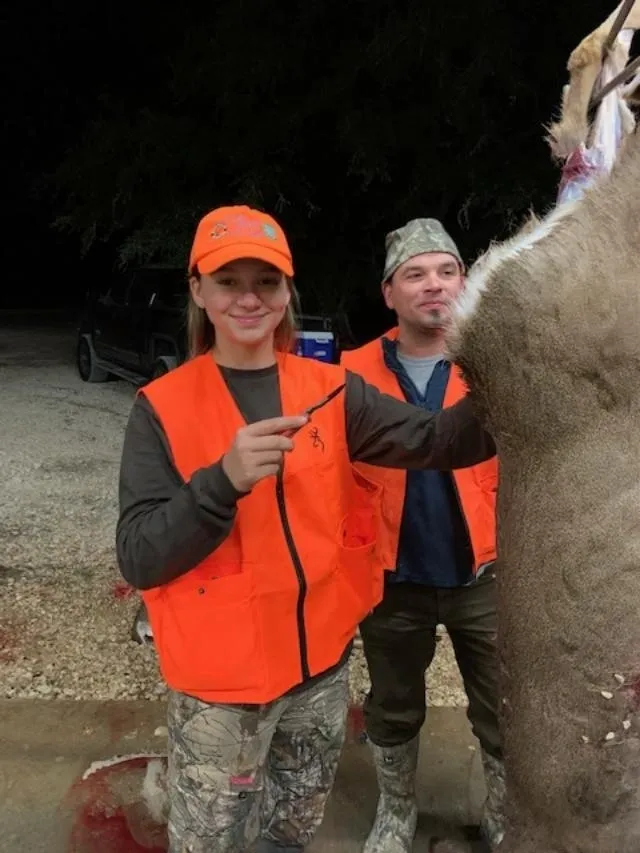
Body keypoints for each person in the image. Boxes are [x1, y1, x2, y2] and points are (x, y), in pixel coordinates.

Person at [115, 205, 496, 853]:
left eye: (265, 280)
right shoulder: (164, 407)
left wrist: (513, 370)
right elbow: (141, 557)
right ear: (199, 291)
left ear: (287, 291)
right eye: (227, 279)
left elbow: (435, 441)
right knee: (212, 842)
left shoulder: (329, 390)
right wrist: (221, 481)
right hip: (220, 691)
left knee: (290, 832)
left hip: (317, 678)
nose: (248, 296)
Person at [341, 218, 505, 853]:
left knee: (499, 707)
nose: (433, 285)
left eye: (446, 271)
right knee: (393, 705)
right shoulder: (349, 373)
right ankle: (395, 811)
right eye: (414, 274)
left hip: (484, 576)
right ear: (389, 293)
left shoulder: (496, 365)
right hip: (389, 581)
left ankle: (502, 808)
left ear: (465, 281)